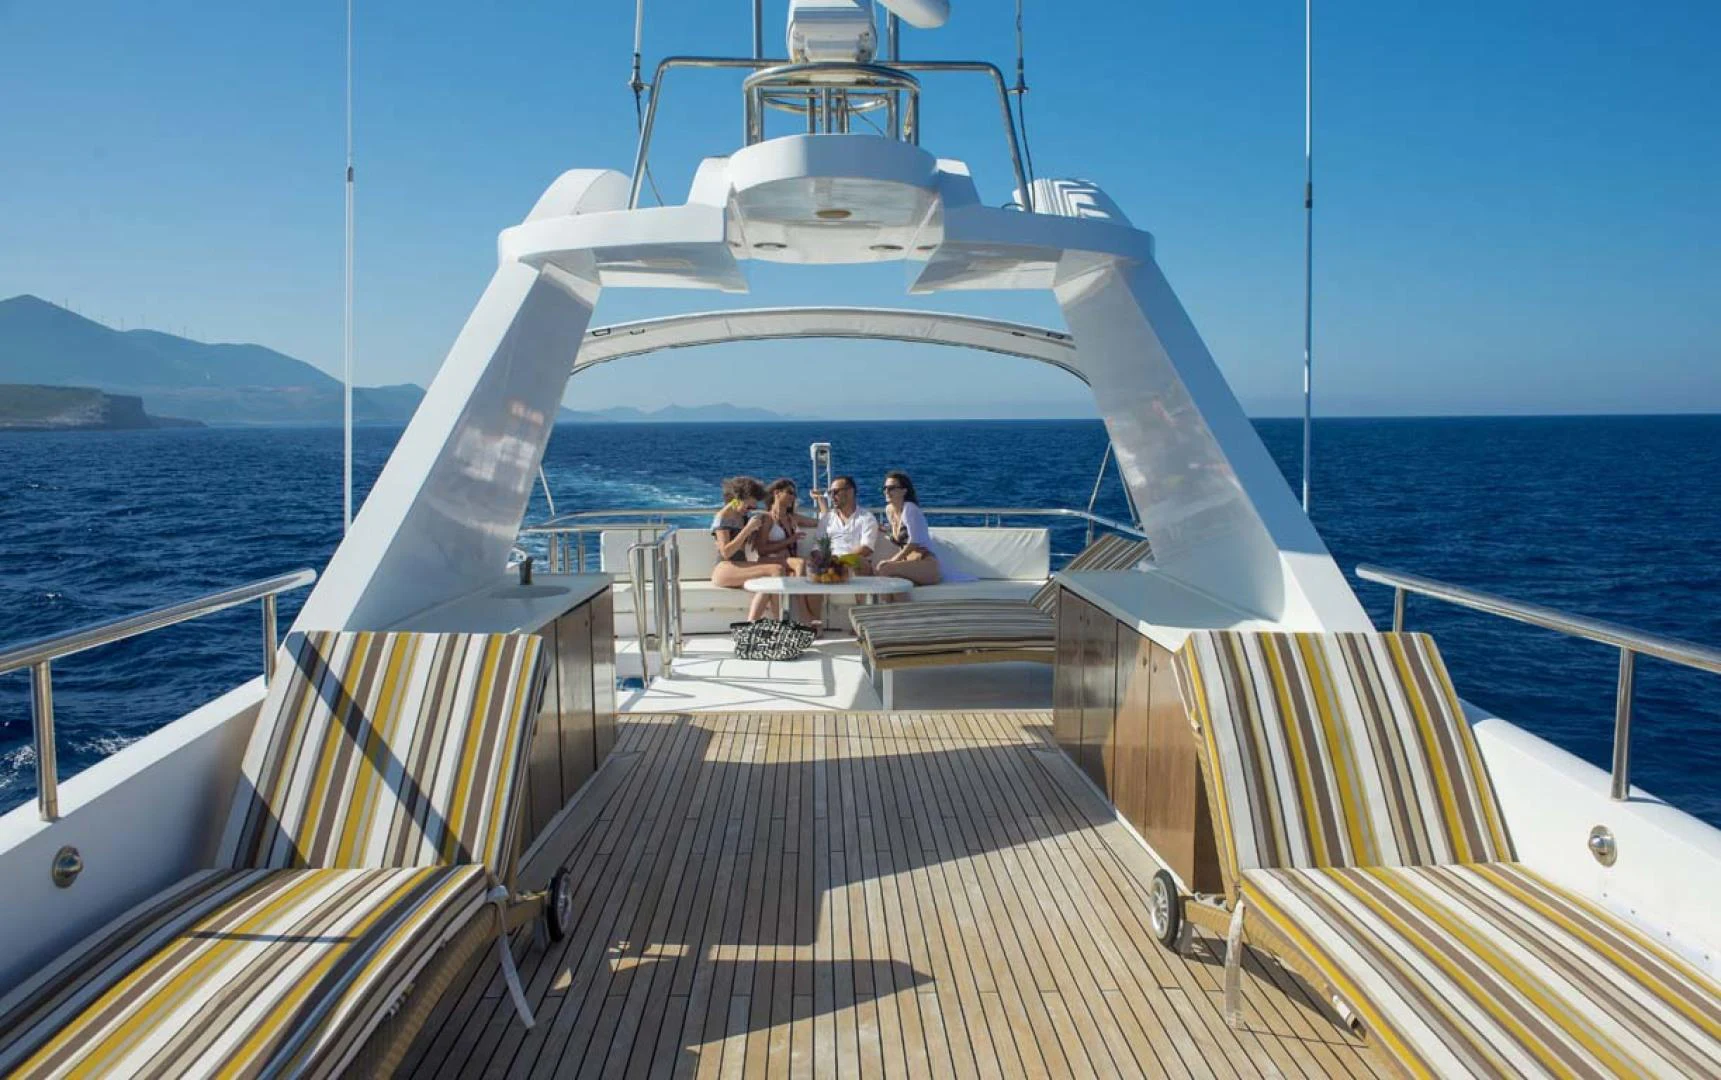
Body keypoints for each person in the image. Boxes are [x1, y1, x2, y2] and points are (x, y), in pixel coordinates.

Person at [710, 476, 785, 621]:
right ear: (737, 498)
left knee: (774, 574)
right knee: (775, 570)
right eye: (748, 507)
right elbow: (726, 552)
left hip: (739, 565)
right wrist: (748, 529)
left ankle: (758, 623)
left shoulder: (741, 516)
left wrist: (766, 519)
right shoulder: (723, 517)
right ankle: (779, 621)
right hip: (725, 568)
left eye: (753, 508)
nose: (750, 511)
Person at [754, 477, 821, 623]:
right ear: (777, 493)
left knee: (812, 570)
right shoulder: (767, 519)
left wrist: (821, 501)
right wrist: (789, 541)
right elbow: (761, 550)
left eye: (794, 494)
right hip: (769, 561)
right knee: (801, 564)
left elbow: (823, 522)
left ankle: (812, 619)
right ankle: (806, 620)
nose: (793, 497)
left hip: (788, 562)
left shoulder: (792, 518)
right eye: (790, 493)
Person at [874, 470, 944, 587]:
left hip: (925, 563)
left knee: (884, 568)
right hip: (909, 563)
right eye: (884, 488)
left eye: (891, 488)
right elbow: (899, 535)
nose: (886, 491)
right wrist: (884, 529)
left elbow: (914, 542)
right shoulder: (889, 510)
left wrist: (892, 561)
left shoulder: (910, 509)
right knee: (895, 583)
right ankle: (890, 606)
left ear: (904, 491)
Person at [811, 475, 879, 572]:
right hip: (830, 564)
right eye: (830, 493)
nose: (832, 496)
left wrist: (840, 561)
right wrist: (826, 561)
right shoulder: (826, 519)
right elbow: (816, 547)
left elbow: (866, 548)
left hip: (854, 563)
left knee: (858, 562)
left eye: (835, 492)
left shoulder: (867, 518)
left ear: (850, 492)